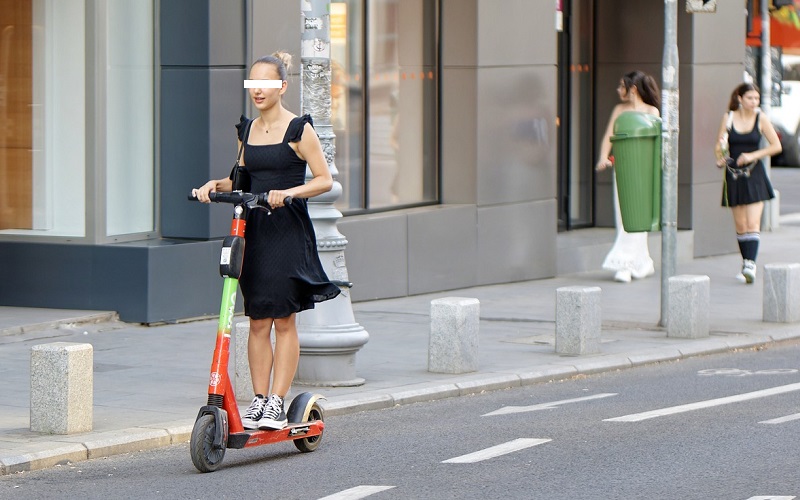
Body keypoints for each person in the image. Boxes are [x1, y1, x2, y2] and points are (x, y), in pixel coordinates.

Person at [192, 52, 341, 430]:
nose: (258, 90)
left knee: (283, 319)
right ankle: (259, 401)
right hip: (254, 232)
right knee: (257, 318)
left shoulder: (298, 129)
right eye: (253, 84)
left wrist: (287, 192)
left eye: (266, 83)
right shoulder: (247, 130)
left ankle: (277, 400)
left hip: (287, 232)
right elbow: (240, 180)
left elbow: (324, 179)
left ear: (282, 86)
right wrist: (215, 185)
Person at [596, 71, 661, 283]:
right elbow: (609, 135)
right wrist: (603, 158)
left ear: (632, 88)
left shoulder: (652, 111)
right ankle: (642, 262)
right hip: (624, 168)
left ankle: (625, 263)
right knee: (623, 216)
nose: (618, 90)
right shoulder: (619, 110)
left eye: (621, 86)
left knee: (638, 216)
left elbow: (657, 142)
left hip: (644, 171)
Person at [714, 82, 781, 284]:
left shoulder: (761, 119)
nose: (754, 102)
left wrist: (753, 155)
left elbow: (776, 146)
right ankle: (746, 263)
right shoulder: (729, 117)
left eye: (757, 98)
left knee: (753, 222)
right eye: (750, 98)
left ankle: (750, 264)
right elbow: (719, 145)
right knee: (741, 224)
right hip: (734, 174)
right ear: (740, 99)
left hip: (755, 174)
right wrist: (721, 155)